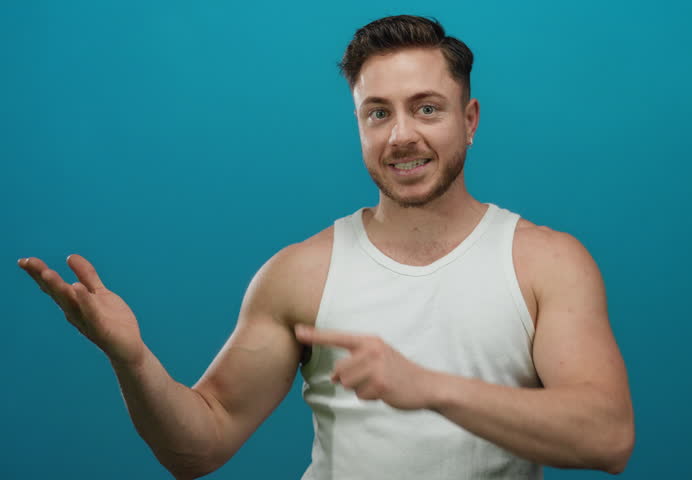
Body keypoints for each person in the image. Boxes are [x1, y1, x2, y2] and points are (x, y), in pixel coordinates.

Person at [18, 15, 634, 480]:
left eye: (427, 108)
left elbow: (607, 436)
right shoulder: (301, 272)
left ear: (469, 120)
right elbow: (199, 446)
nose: (402, 136)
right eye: (376, 113)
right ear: (358, 124)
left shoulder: (545, 263)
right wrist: (132, 360)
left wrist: (430, 388)